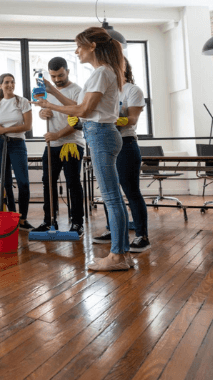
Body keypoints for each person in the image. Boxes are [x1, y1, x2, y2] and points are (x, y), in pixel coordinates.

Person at [33, 27, 130, 271]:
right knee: (114, 198)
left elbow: (84, 111)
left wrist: (49, 105)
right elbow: (80, 105)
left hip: (100, 134)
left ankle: (117, 257)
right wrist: (53, 93)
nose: (76, 51)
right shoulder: (105, 72)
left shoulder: (101, 73)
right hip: (103, 134)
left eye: (79, 46)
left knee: (111, 198)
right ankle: (122, 254)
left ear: (92, 46)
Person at [92, 60, 149, 251]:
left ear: (123, 68)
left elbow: (132, 119)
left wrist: (109, 120)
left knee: (131, 191)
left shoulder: (132, 90)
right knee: (110, 191)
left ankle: (142, 236)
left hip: (126, 143)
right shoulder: (105, 89)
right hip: (105, 142)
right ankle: (113, 230)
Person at [35, 56, 85, 235]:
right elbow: (45, 111)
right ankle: (49, 221)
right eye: (53, 76)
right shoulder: (46, 92)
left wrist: (57, 134)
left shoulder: (77, 90)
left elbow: (78, 114)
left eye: (60, 75)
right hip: (52, 145)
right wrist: (43, 113)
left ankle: (77, 222)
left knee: (73, 183)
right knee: (48, 183)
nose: (57, 80)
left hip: (71, 144)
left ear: (68, 71)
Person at [0, 72, 34, 230]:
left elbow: (27, 126)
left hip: (17, 144)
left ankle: (22, 218)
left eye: (12, 82)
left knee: (23, 182)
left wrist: (4, 130)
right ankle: (12, 216)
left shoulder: (21, 102)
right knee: (6, 183)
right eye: (6, 82)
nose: (10, 85)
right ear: (0, 85)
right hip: (0, 144)